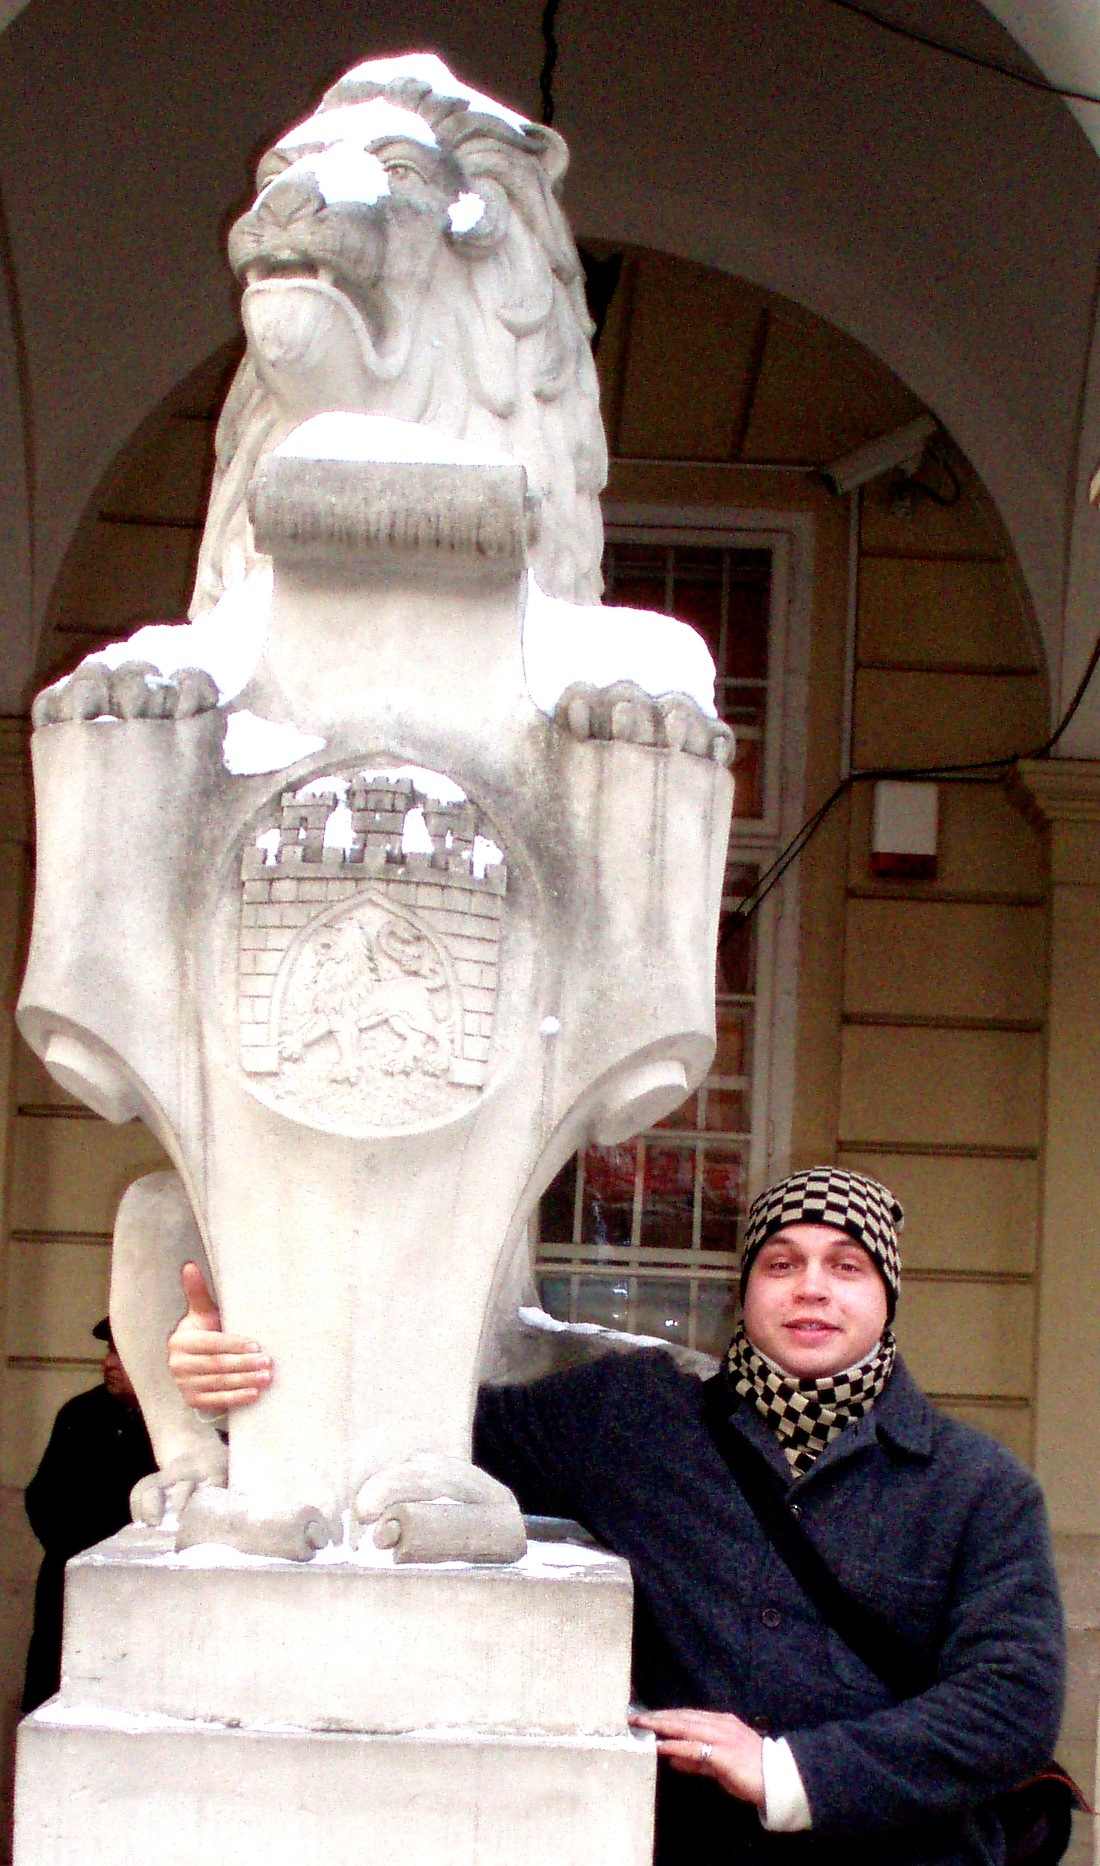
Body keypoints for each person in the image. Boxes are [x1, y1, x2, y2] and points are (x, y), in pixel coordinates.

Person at [166, 1166, 1065, 1866]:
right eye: (782, 1263)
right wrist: (234, 1387)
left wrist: (790, 1770)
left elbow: (1010, 1705)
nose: (812, 1288)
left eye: (847, 1266)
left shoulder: (979, 1486)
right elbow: (411, 1433)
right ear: (746, 1289)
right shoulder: (633, 1419)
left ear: (887, 1295)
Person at [22, 1317, 156, 1712]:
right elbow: (42, 1499)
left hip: (137, 1594)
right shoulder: (82, 1413)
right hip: (69, 1582)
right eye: (109, 1351)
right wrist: (78, 1552)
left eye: (121, 1352)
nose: (109, 1363)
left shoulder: (178, 1427)